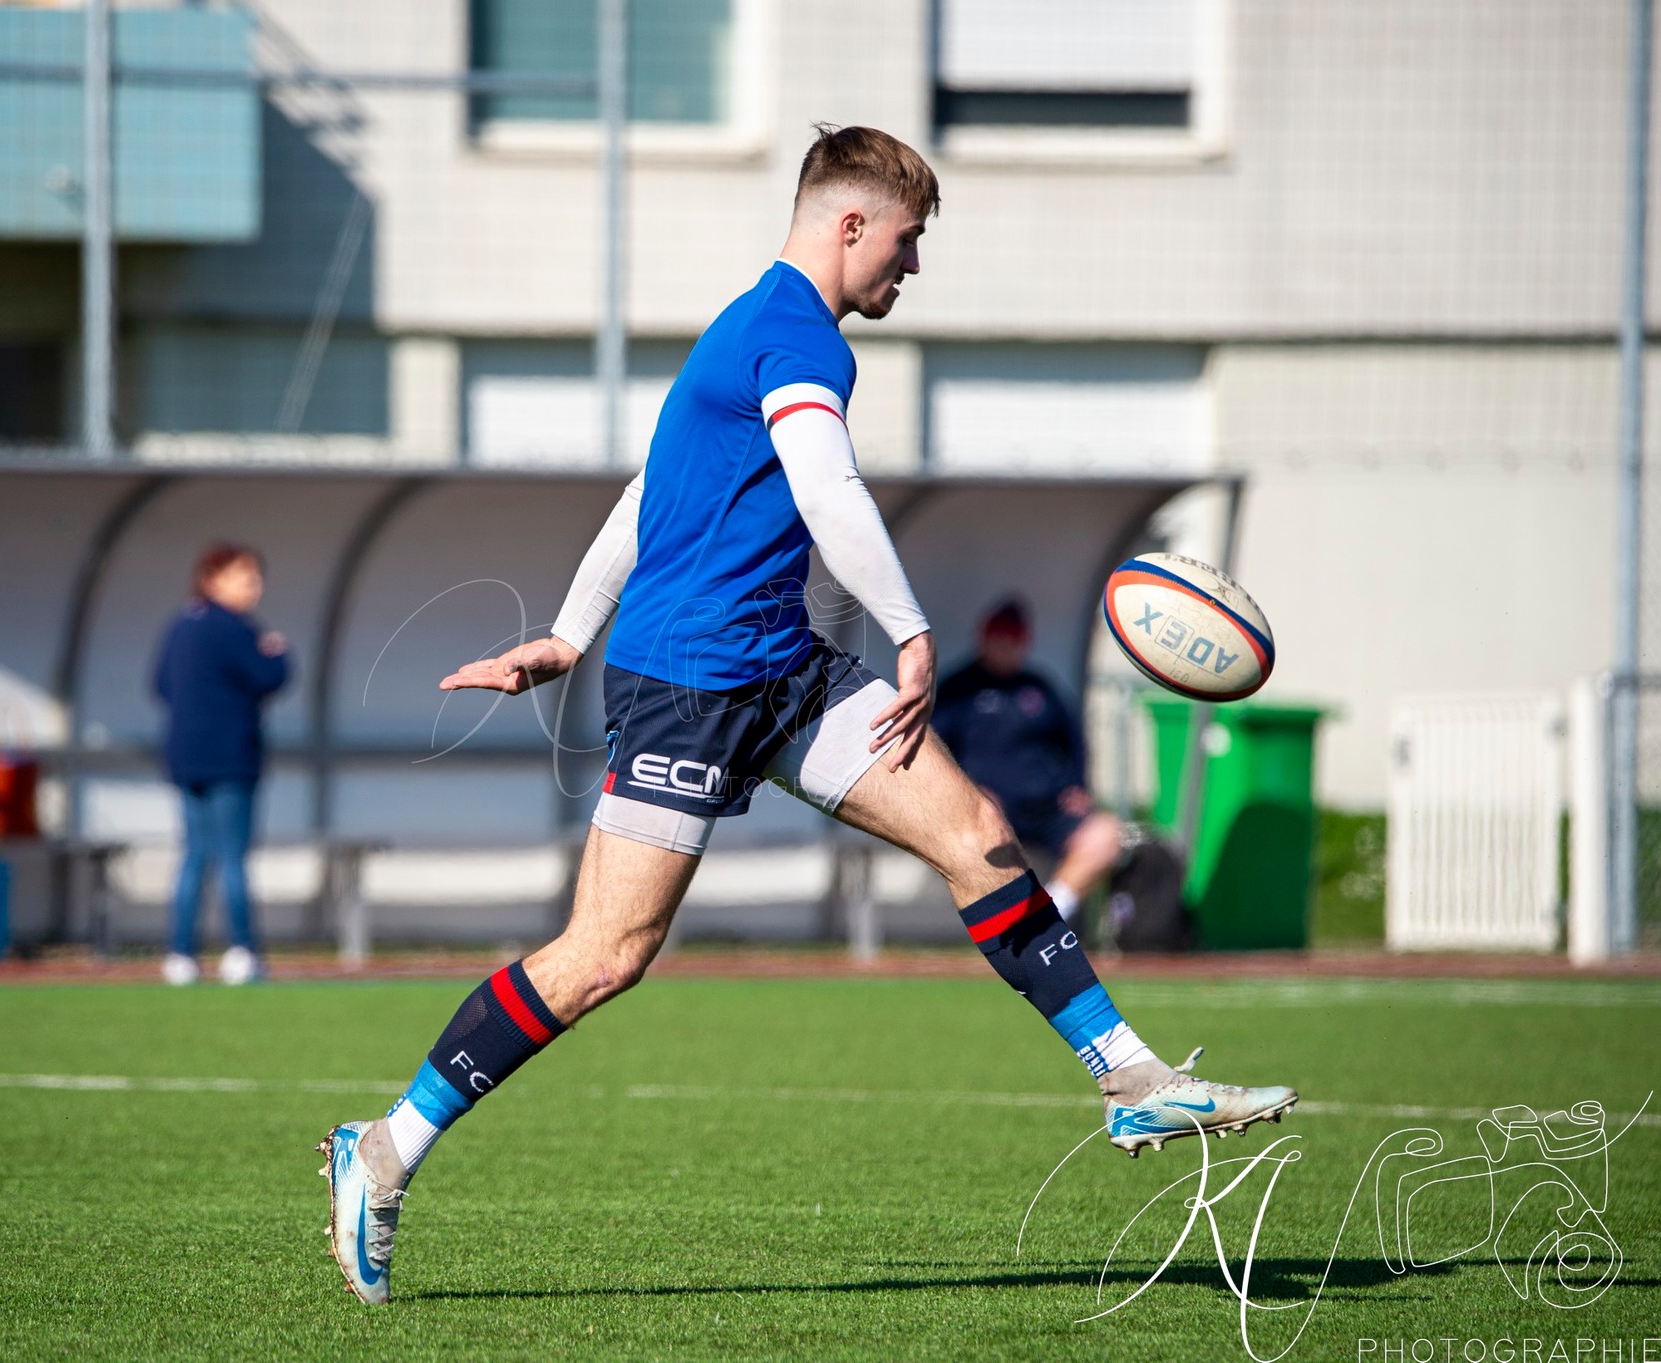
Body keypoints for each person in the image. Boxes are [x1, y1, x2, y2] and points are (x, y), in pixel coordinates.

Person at [318, 125, 1295, 1305]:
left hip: (790, 669)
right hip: (688, 686)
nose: (911, 265)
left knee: (973, 828)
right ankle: (382, 1149)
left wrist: (569, 632)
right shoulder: (788, 335)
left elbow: (647, 493)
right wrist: (911, 624)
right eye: (906, 238)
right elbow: (823, 488)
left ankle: (1127, 1072)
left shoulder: (751, 332)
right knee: (601, 959)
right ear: (849, 226)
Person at [933, 598, 1123, 926]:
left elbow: (1074, 744)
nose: (1005, 649)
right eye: (999, 640)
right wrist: (967, 793)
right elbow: (934, 750)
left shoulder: (1039, 688)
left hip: (1049, 808)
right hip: (992, 811)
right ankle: (1005, 923)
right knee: (984, 839)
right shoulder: (958, 690)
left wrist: (1077, 786)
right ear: (983, 639)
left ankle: (1048, 915)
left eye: (1013, 642)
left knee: (1106, 834)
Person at [151, 543, 290, 988]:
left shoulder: (180, 625)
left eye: (255, 577)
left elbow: (157, 684)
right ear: (212, 579)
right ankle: (243, 952)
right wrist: (277, 653)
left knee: (194, 855)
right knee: (232, 857)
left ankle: (180, 955)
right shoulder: (234, 628)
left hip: (184, 758)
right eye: (244, 577)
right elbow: (270, 677)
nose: (254, 587)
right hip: (231, 758)